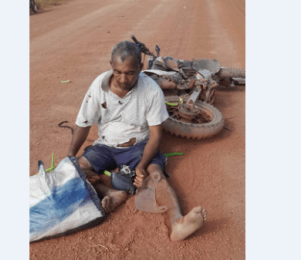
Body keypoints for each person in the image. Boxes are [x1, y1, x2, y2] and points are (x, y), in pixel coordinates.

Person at [66, 41, 207, 241]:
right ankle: (112, 193)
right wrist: (70, 157)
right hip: (105, 145)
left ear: (140, 68)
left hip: (138, 145)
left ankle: (176, 222)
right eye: (118, 72)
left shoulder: (151, 91)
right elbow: (83, 124)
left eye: (130, 73)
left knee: (155, 174)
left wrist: (141, 167)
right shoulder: (98, 86)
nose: (123, 78)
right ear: (111, 66)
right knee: (78, 168)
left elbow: (156, 135)